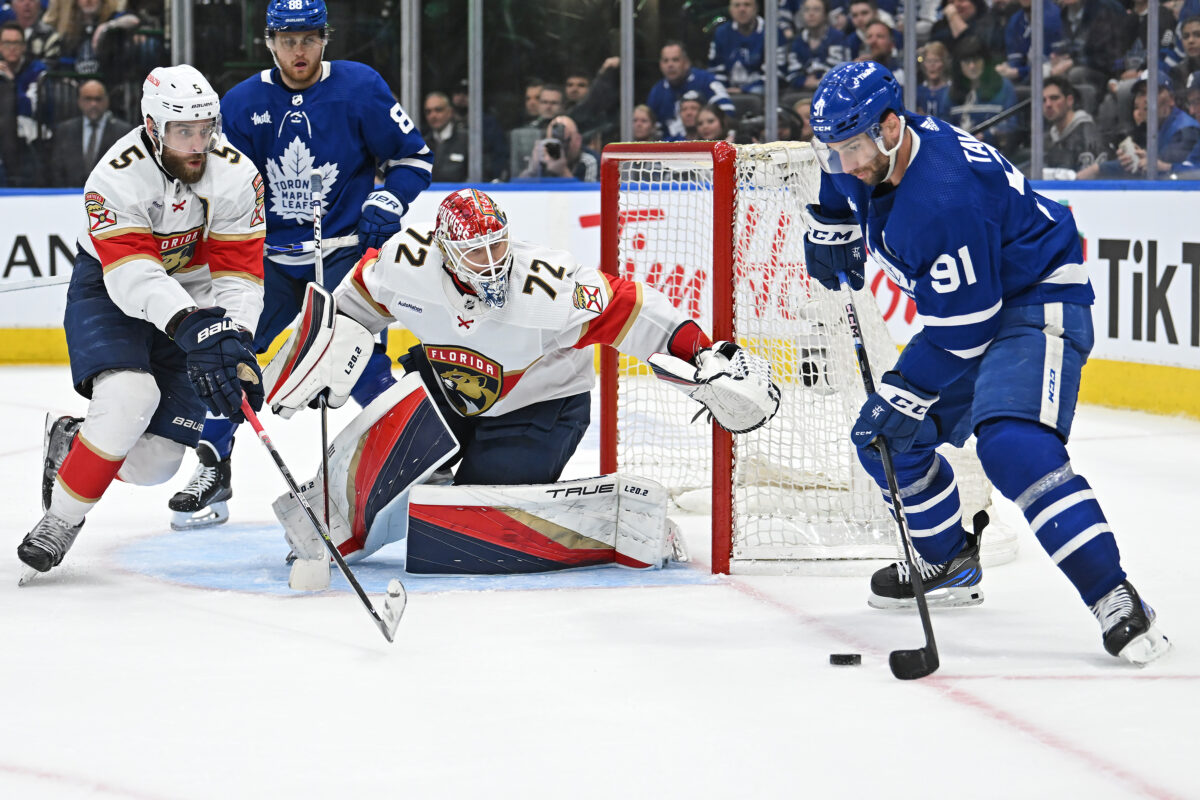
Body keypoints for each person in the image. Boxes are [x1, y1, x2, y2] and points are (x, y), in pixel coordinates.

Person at [801, 61, 1169, 665]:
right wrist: (833, 222)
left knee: (1011, 446)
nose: (845, 164)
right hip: (977, 308)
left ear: (891, 128)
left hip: (1035, 298)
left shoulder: (942, 198)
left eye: (855, 148)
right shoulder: (866, 149)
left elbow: (965, 326)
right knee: (884, 440)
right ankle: (948, 561)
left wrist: (906, 389)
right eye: (834, 150)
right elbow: (838, 179)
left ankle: (1115, 597)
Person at [270, 187, 779, 568]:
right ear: (444, 252)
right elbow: (354, 302)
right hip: (448, 386)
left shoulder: (549, 287)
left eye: (498, 247)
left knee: (467, 525)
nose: (491, 264)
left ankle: (614, 525)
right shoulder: (407, 263)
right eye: (475, 254)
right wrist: (318, 352)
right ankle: (331, 520)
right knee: (389, 430)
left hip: (542, 405)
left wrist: (706, 352)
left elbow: (636, 310)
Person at [169, 0, 433, 530]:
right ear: (269, 41)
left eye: (308, 38)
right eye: (287, 39)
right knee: (231, 357)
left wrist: (389, 200)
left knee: (354, 357)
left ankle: (417, 461)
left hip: (339, 254)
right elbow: (220, 187)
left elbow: (413, 158)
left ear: (325, 39)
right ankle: (213, 467)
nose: (298, 50)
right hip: (266, 262)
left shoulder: (359, 87)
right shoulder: (242, 104)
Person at [17, 64, 266, 582]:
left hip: (193, 297)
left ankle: (75, 439)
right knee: (130, 395)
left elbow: (240, 274)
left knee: (155, 467)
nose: (198, 144)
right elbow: (135, 276)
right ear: (153, 128)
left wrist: (235, 340)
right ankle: (61, 519)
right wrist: (193, 325)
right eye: (183, 132)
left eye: (206, 128)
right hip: (110, 289)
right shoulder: (114, 175)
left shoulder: (238, 174)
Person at [48, 78, 132, 186]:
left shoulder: (123, 132)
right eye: (88, 99)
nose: (93, 104)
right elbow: (56, 170)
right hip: (69, 197)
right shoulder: (65, 130)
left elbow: (127, 173)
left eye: (98, 99)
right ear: (79, 101)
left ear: (107, 101)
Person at [646, 41, 735, 141]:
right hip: (671, 149)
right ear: (660, 65)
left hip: (707, 145)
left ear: (686, 63)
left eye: (675, 60)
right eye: (665, 61)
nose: (670, 65)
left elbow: (727, 114)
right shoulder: (657, 92)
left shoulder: (706, 81)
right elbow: (651, 128)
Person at [948, 35, 1018, 148]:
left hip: (994, 155)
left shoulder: (1004, 87)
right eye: (967, 61)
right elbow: (941, 126)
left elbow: (1012, 124)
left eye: (976, 60)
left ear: (986, 61)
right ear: (959, 65)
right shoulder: (949, 92)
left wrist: (987, 135)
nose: (972, 66)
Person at [42, 0, 139, 77]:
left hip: (108, 84)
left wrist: (107, 26)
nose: (88, 0)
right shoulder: (70, 31)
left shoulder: (112, 17)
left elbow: (133, 20)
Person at [707, 0, 784, 95]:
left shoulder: (772, 31)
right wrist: (724, 88)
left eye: (747, 5)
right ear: (730, 9)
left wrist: (745, 90)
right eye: (737, 5)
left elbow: (777, 73)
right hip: (728, 90)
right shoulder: (721, 33)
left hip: (761, 91)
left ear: (756, 8)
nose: (742, 9)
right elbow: (715, 68)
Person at [0, 20, 43, 186]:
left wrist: (10, 83)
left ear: (24, 46)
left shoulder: (36, 70)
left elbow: (30, 107)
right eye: (7, 43)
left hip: (28, 138)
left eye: (16, 43)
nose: (12, 47)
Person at [1042, 75, 1101, 174]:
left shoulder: (1088, 136)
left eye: (1054, 98)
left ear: (1069, 100)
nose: (1048, 104)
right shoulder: (1047, 139)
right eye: (1043, 100)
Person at [785, 0, 848, 92]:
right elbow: (792, 74)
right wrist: (804, 82)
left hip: (832, 91)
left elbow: (839, 70)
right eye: (807, 10)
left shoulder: (838, 37)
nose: (811, 14)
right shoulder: (796, 41)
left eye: (816, 10)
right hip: (802, 91)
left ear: (825, 14)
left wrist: (818, 82)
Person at [518, 114, 598, 180]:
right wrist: (532, 171)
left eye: (564, 143)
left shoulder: (590, 161)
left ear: (578, 140)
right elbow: (517, 191)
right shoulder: (542, 155)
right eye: (553, 142)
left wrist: (563, 172)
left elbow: (590, 196)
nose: (559, 148)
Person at [422, 90, 468, 182]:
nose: (433, 115)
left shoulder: (466, 140)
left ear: (450, 111)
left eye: (438, 110)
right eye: (428, 111)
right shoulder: (421, 142)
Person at [916, 41, 952, 118]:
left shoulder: (952, 91)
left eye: (936, 61)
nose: (932, 65)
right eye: (928, 61)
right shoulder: (918, 92)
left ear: (944, 63)